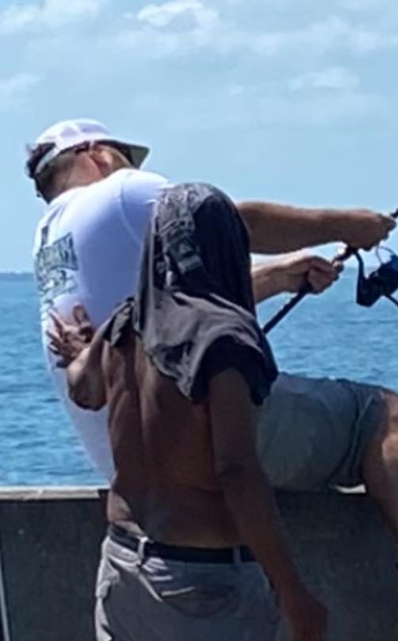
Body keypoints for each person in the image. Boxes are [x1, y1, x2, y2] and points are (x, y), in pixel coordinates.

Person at [30, 119, 398, 626]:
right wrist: (347, 225)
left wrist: (279, 275)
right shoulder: (119, 195)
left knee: (334, 428)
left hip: (130, 481)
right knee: (379, 413)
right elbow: (229, 227)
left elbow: (162, 317)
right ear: (97, 153)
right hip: (200, 518)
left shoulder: (53, 238)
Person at [52, 182, 325, 641]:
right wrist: (292, 591)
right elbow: (236, 471)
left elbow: (84, 388)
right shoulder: (225, 340)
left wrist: (84, 348)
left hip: (122, 565)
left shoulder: (125, 322)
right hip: (201, 584)